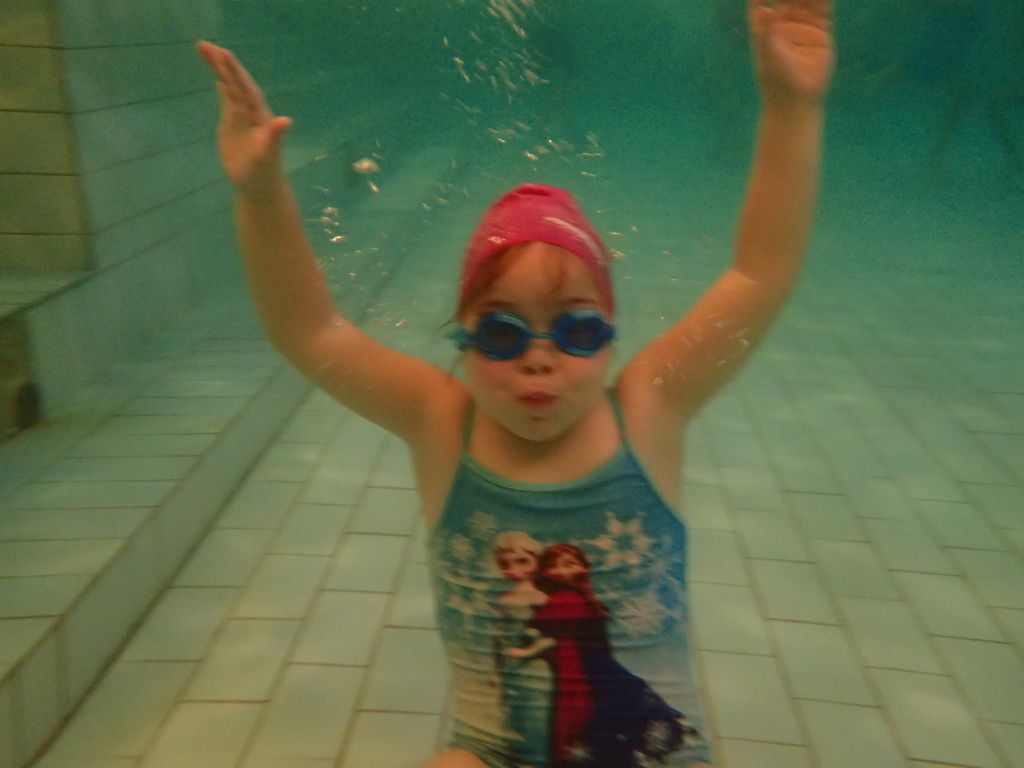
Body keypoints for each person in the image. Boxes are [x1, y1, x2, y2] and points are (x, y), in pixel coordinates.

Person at [196, 1, 834, 765]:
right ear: (464, 340)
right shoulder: (441, 420)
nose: (540, 359)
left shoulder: (649, 407)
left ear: (610, 337)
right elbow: (312, 332)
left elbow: (759, 273)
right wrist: (261, 194)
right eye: (503, 333)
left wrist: (792, 107)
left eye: (576, 331)